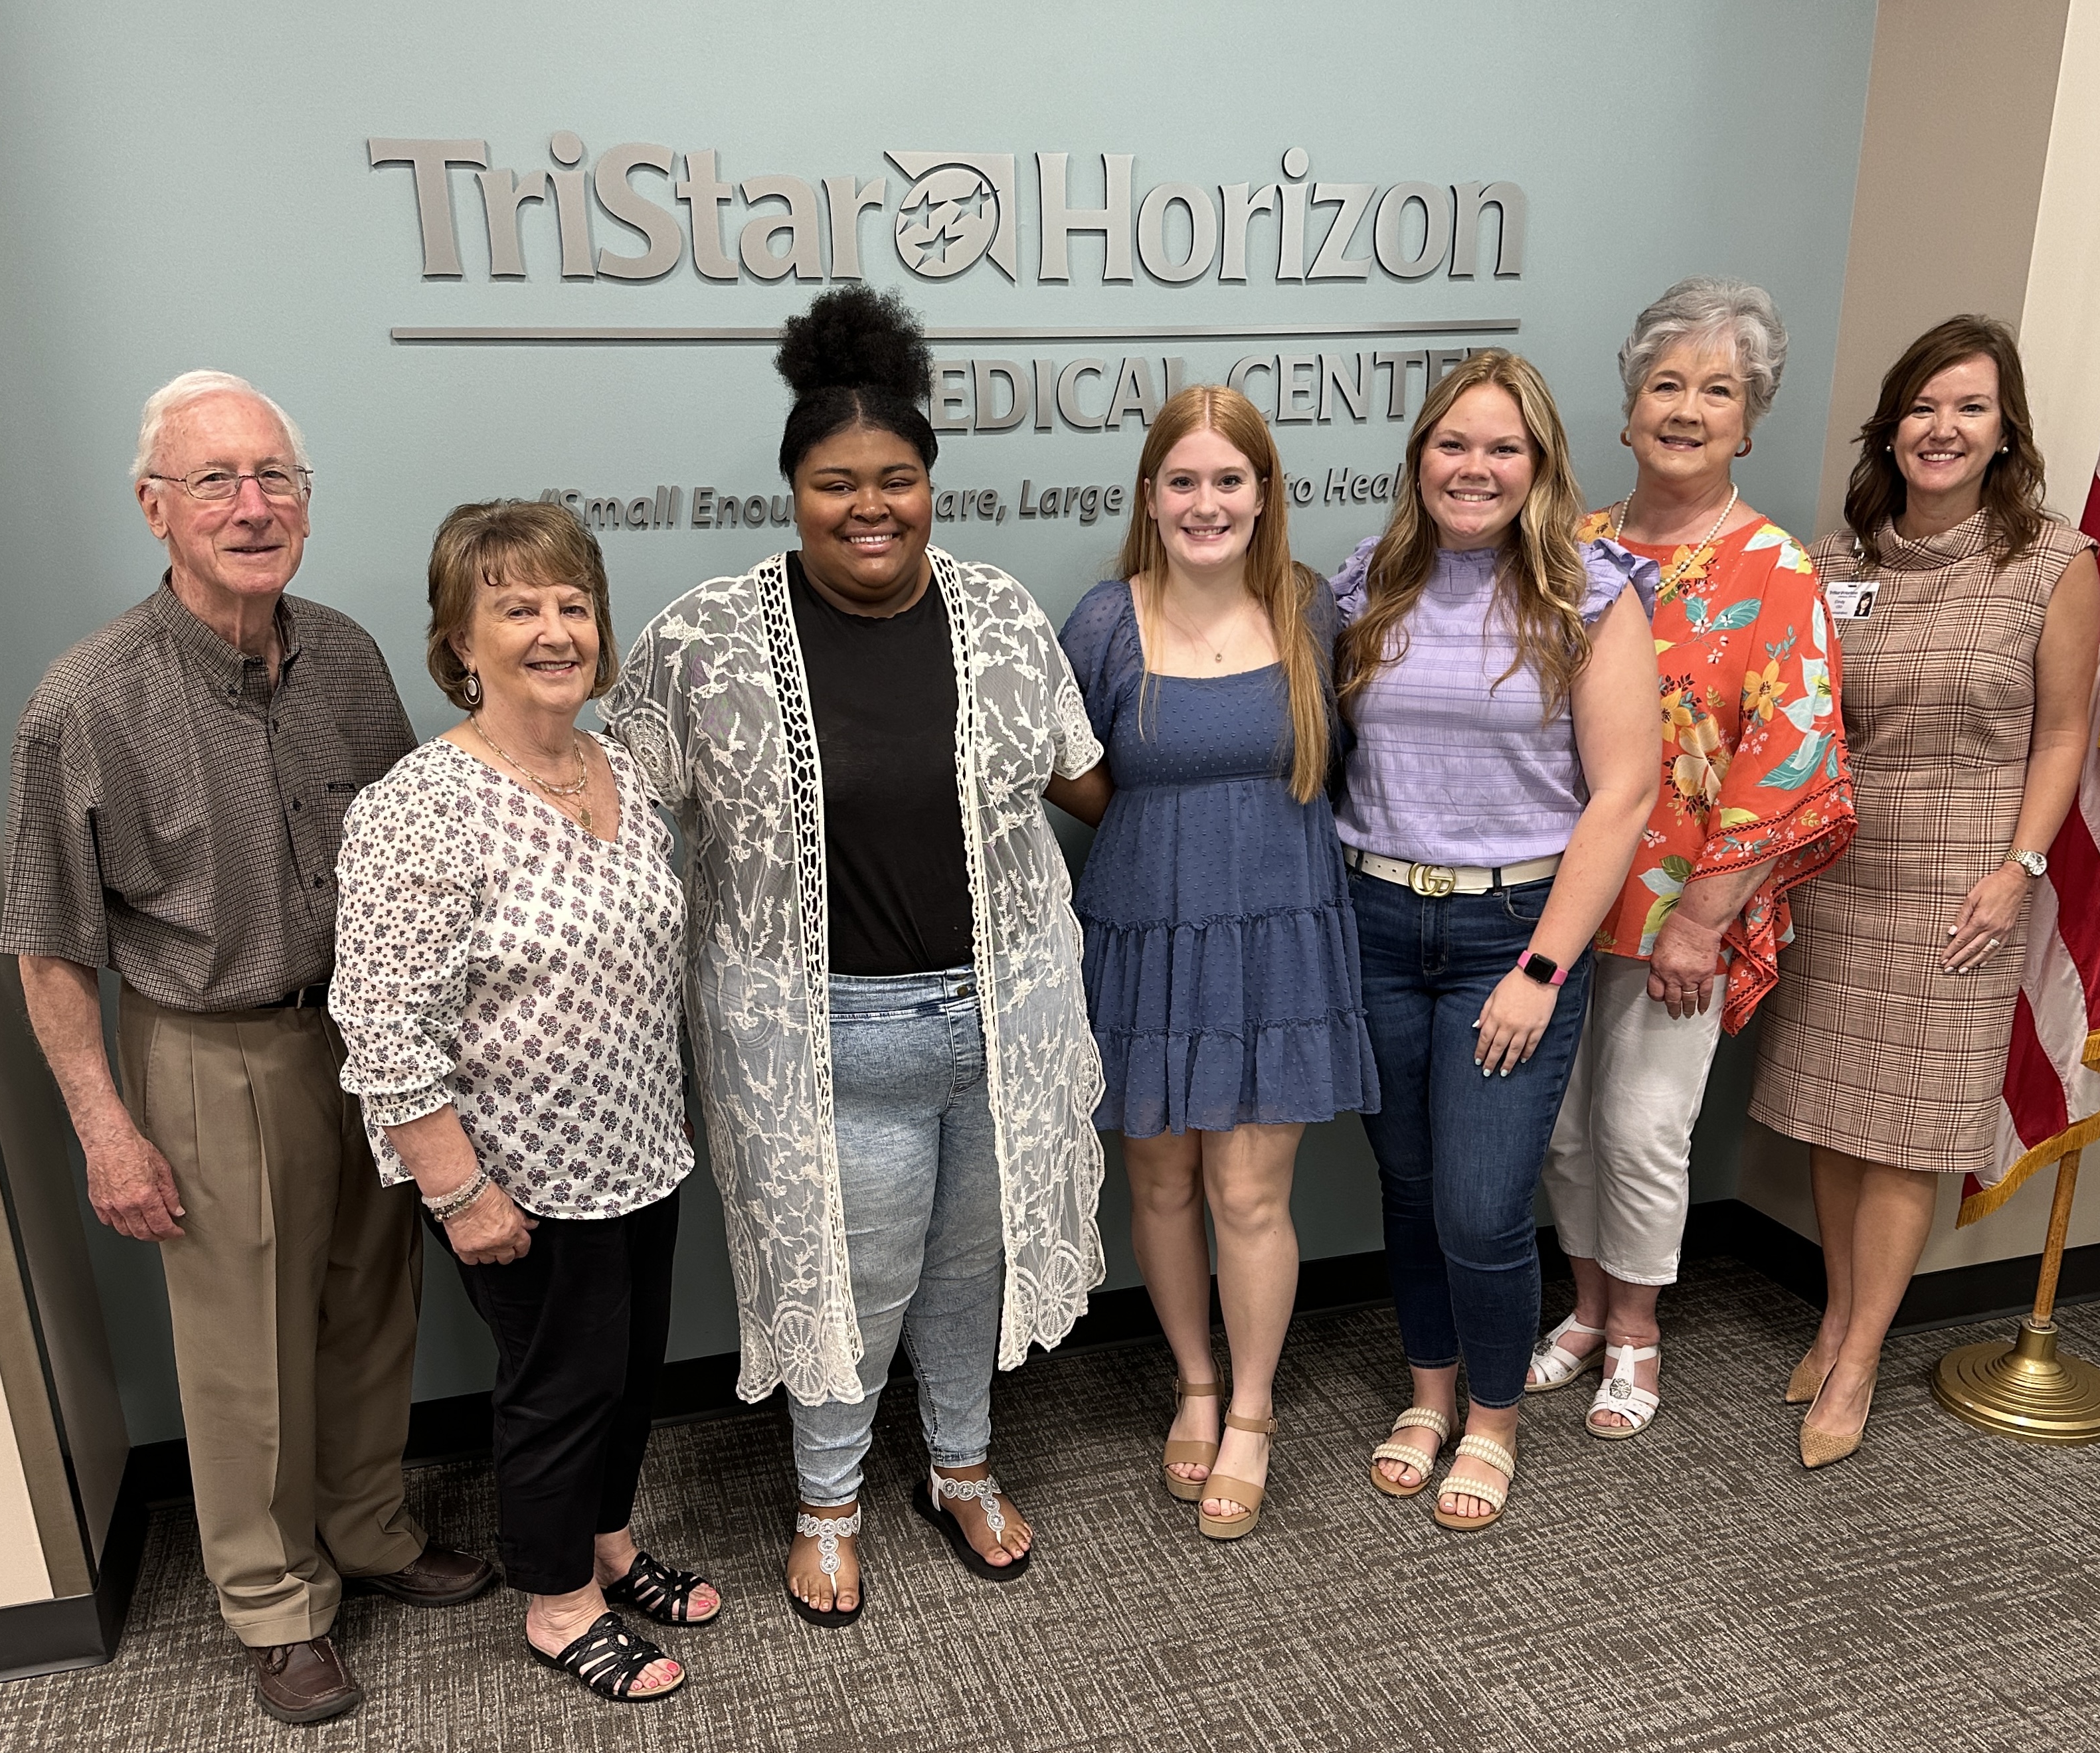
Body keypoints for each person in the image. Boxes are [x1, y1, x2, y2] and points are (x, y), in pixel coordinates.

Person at [606, 286, 1112, 1624]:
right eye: (838, 484)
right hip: (821, 1034)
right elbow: (616, 804)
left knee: (966, 1271)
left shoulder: (999, 617)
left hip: (1000, 1018)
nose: (870, 506)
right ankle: (828, 1506)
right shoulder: (710, 640)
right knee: (848, 1279)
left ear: (931, 484)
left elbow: (1085, 779)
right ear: (794, 491)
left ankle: (961, 1468)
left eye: (897, 479)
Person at [0, 371, 490, 1726]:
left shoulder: (344, 657)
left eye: (275, 477)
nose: (252, 505)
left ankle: (374, 1533)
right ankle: (276, 1603)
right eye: (215, 480)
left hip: (361, 1042)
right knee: (242, 1353)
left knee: (369, 1307)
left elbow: (413, 858)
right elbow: (50, 943)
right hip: (208, 1054)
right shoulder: (85, 701)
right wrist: (109, 1129)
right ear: (155, 507)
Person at [329, 501, 711, 1702]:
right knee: (556, 1394)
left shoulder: (622, 766)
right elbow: (380, 1022)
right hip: (521, 1179)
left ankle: (605, 1547)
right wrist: (458, 1191)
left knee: (630, 1370)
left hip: (641, 1151)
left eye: (572, 604)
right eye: (518, 608)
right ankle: (558, 1606)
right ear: (460, 639)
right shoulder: (419, 806)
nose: (555, 632)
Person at [1751, 315, 2100, 1468]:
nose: (1942, 429)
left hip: (1967, 883)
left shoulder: (2052, 561)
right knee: (1834, 1114)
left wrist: (2024, 868)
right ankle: (1841, 1316)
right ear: (1892, 427)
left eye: (1970, 408)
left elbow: (2064, 735)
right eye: (1923, 406)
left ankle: (1855, 1362)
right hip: (1841, 867)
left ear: (2006, 434)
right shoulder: (1838, 559)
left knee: (1906, 1136)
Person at [1337, 351, 1659, 1529]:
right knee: (1410, 1188)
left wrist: (1541, 968)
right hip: (1373, 923)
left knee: (1480, 1204)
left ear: (1540, 466)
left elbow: (1622, 796)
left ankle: (1492, 1417)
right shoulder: (1363, 585)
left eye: (1502, 448)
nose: (1474, 469)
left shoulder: (1593, 592)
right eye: (1452, 445)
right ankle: (1427, 1398)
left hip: (1508, 934)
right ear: (1419, 458)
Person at [1533, 280, 1854, 1440]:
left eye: (1716, 390)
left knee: (1643, 1128)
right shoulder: (1568, 549)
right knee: (1560, 1130)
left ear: (1748, 422)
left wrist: (1702, 918)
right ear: (1626, 411)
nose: (1686, 408)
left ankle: (1636, 1331)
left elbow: (1791, 754)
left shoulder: (1777, 570)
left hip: (1684, 911)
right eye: (1666, 384)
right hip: (1557, 897)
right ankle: (1579, 1309)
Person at [1061, 386, 1378, 1541]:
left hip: (1281, 929)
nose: (1206, 502)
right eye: (1183, 481)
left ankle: (1252, 1411)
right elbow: (1070, 767)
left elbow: (1351, 762)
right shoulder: (1103, 621)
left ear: (1262, 494)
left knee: (1251, 1192)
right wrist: (1160, 829)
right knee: (1159, 1184)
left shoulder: (1310, 612)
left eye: (1228, 480)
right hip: (1144, 932)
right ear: (1152, 495)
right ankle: (1192, 1381)